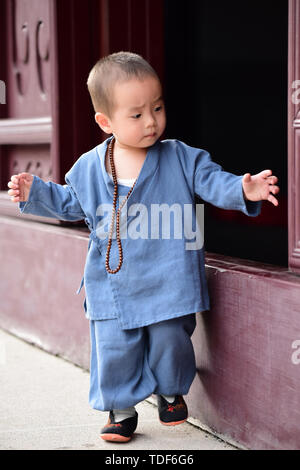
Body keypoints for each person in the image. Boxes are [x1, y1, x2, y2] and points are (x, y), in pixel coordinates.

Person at [7, 51, 280, 443]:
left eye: (157, 107)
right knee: (115, 348)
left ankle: (170, 390)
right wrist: (38, 193)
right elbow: (71, 203)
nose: (151, 121)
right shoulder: (89, 166)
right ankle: (120, 409)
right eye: (136, 115)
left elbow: (212, 181)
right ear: (106, 122)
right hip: (112, 279)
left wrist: (242, 188)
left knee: (171, 339)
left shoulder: (180, 157)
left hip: (169, 274)